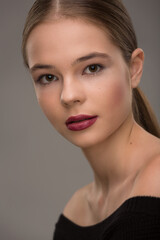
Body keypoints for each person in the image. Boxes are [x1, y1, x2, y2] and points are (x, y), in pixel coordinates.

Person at [22, 0, 160, 239]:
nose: (68, 95)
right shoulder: (76, 210)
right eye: (47, 77)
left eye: (92, 68)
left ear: (134, 69)